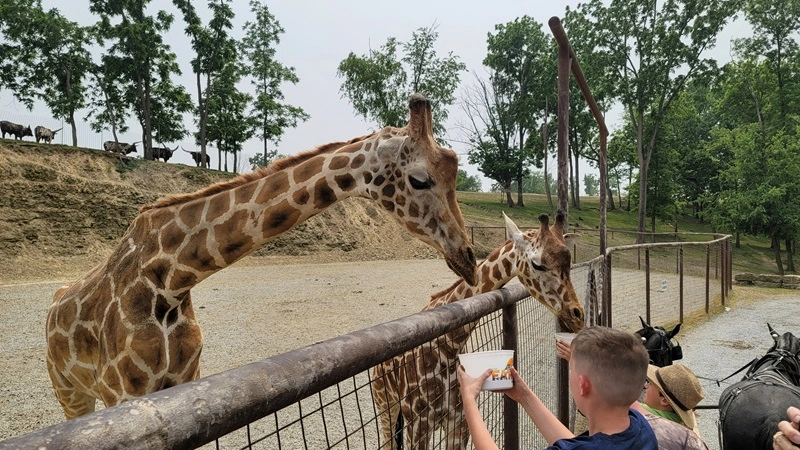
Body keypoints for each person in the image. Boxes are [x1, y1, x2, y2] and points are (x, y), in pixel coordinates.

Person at [458, 326, 657, 449]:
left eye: (571, 368)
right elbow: (576, 444)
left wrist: (469, 400)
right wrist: (524, 396)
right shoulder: (640, 428)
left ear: (582, 385)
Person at [557, 338, 708, 450]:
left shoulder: (643, 421)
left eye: (652, 384)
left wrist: (581, 362)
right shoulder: (680, 430)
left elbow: (609, 392)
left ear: (664, 400)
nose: (646, 385)